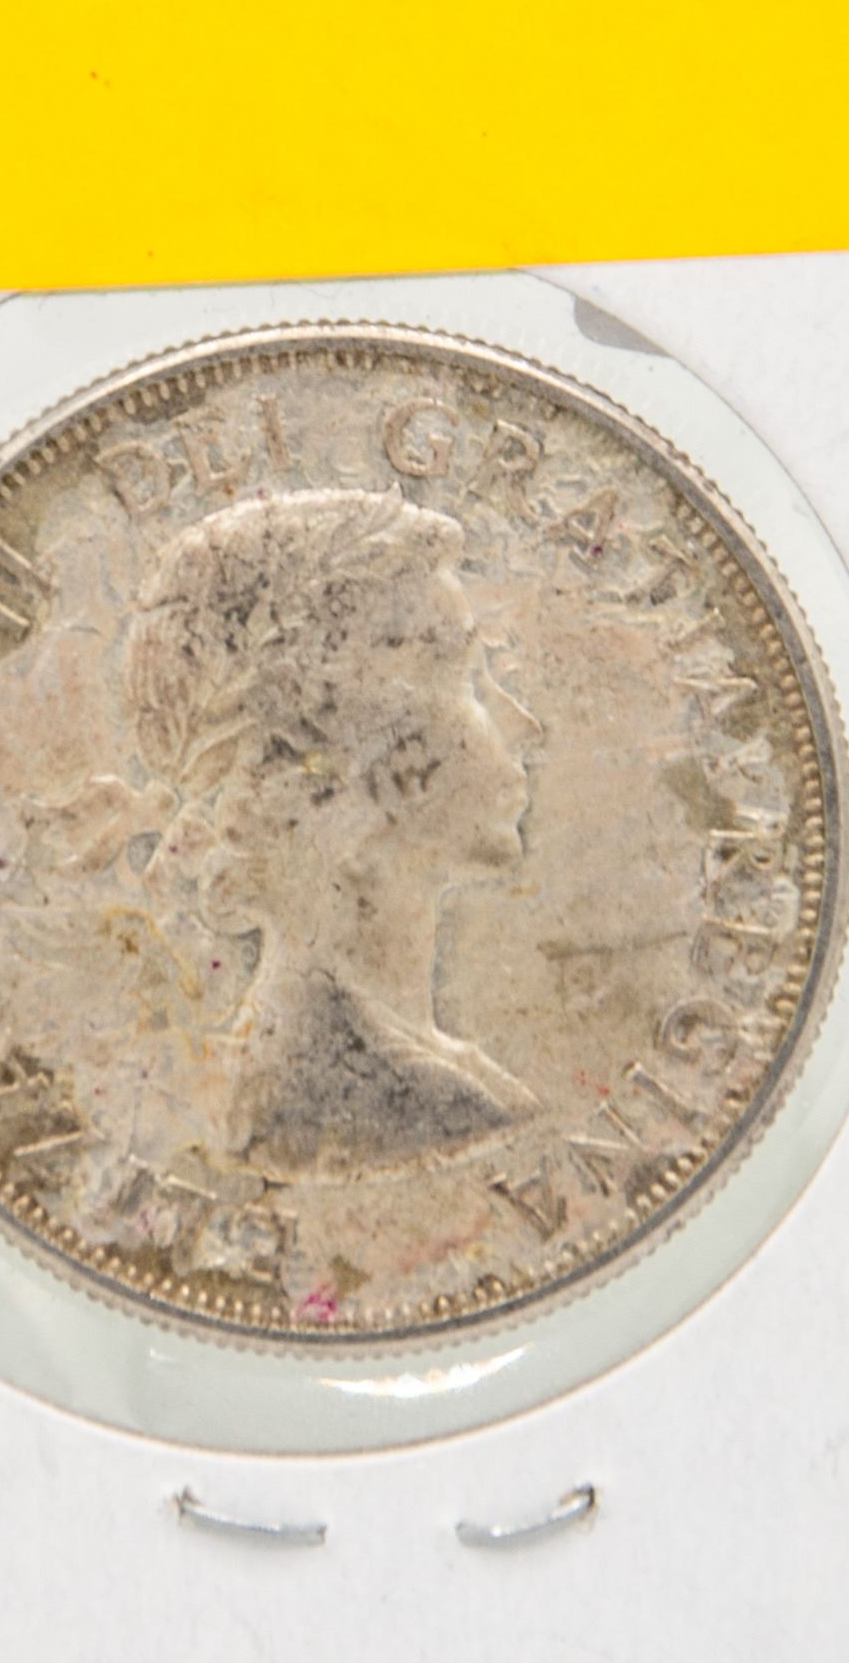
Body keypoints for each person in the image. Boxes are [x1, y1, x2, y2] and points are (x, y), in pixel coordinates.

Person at [118, 486, 542, 1179]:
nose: (524, 725)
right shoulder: (399, 1104)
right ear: (382, 758)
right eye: (471, 680)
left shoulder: (422, 1071)